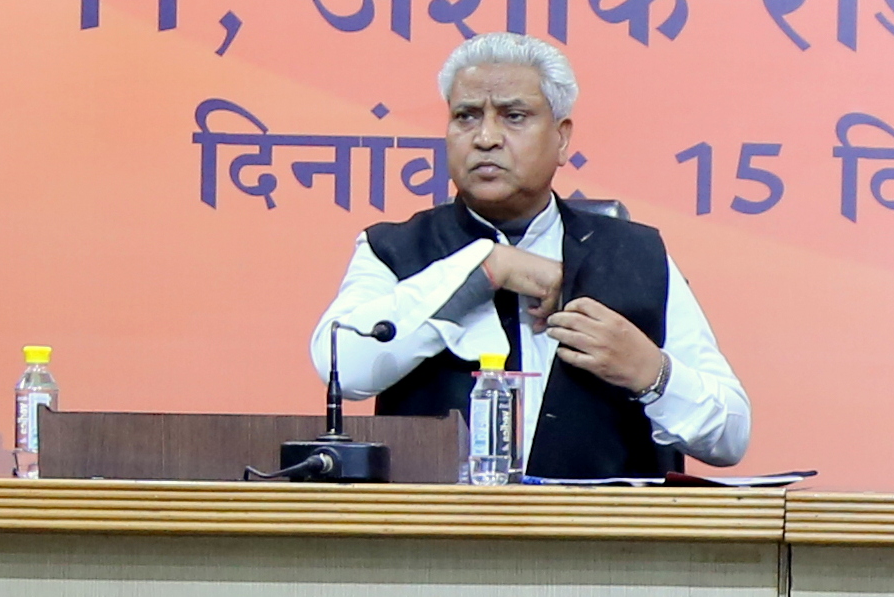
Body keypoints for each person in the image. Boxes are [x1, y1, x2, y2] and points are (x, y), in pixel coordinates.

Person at [310, 31, 751, 476]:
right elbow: (343, 369)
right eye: (466, 116)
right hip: (434, 536)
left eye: (513, 116)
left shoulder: (636, 256)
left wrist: (649, 371)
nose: (485, 137)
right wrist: (484, 270)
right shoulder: (392, 249)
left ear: (562, 139)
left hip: (601, 537)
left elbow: (731, 436)